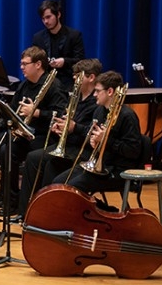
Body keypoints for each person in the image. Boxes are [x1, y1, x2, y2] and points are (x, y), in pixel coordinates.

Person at [0, 46, 66, 209]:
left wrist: (36, 112)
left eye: (25, 64)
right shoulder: (24, 86)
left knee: (8, 150)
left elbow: (60, 115)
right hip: (23, 134)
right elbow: (11, 112)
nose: (21, 67)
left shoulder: (54, 85)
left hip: (43, 136)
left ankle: (12, 200)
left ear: (38, 64)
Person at [15, 59, 102, 216]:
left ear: (91, 77)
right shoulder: (74, 96)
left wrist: (74, 127)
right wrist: (59, 126)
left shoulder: (97, 102)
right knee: (33, 158)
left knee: (51, 164)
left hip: (84, 149)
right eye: (74, 75)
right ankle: (25, 211)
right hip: (69, 144)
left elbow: (95, 131)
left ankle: (46, 212)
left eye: (78, 76)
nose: (74, 79)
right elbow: (65, 117)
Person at [57, 71, 142, 192]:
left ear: (110, 92)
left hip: (118, 169)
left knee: (73, 187)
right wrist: (94, 141)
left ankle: (99, 210)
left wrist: (106, 140)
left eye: (97, 91)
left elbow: (133, 151)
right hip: (100, 164)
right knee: (58, 183)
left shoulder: (127, 116)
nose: (94, 94)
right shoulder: (99, 110)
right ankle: (99, 209)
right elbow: (92, 134)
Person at [31, 0, 86, 87]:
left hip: (67, 83)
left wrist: (64, 61)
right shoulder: (38, 38)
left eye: (48, 17)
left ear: (58, 15)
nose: (46, 21)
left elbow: (81, 61)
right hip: (44, 83)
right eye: (43, 19)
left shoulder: (74, 35)